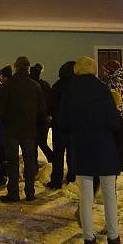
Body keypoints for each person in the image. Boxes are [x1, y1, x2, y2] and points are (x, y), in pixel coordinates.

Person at [58, 56, 123, 244]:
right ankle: (114, 243)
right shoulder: (103, 90)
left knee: (86, 198)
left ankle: (89, 243)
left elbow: (62, 122)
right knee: (109, 197)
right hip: (104, 149)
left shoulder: (70, 91)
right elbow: (114, 123)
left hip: (81, 149)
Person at [0, 56, 46, 202]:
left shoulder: (8, 85)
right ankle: (30, 192)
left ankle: (13, 192)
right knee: (29, 161)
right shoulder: (35, 86)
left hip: (11, 129)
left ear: (16, 67)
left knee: (13, 161)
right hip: (29, 129)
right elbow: (42, 109)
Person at [47, 60, 75, 189]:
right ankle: (71, 177)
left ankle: (56, 179)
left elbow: (51, 104)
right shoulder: (77, 85)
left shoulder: (57, 86)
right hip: (73, 125)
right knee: (72, 153)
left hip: (59, 125)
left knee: (58, 154)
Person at [29, 62, 55, 163]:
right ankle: (51, 158)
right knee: (41, 141)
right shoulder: (45, 85)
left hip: (34, 118)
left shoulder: (30, 86)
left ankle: (35, 164)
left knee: (34, 143)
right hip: (44, 118)